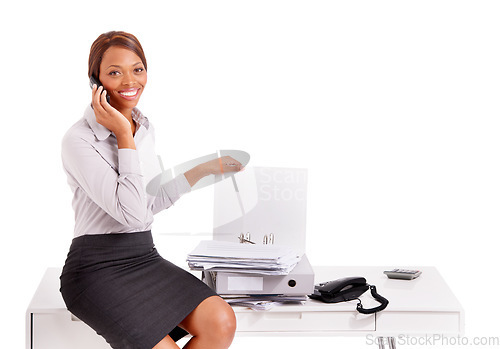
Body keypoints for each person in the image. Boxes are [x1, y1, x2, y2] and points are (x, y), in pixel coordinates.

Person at [60, 31, 242, 349]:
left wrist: (204, 169)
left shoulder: (143, 128)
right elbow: (130, 215)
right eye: (115, 72)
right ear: (95, 81)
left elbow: (148, 202)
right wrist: (122, 134)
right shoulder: (79, 140)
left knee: (221, 320)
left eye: (138, 69)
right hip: (95, 269)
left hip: (144, 257)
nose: (130, 80)